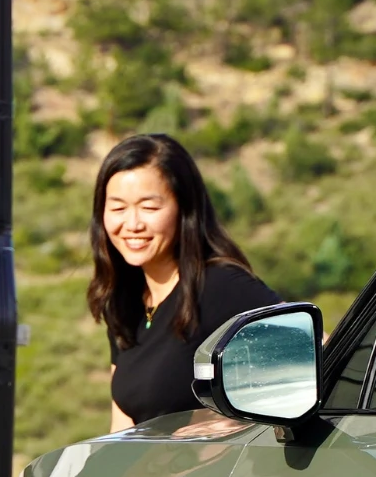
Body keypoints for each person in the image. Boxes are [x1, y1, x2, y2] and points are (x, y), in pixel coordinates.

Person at [88, 133, 280, 430]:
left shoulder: (219, 285)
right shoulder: (123, 302)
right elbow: (123, 428)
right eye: (117, 208)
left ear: (184, 209)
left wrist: (235, 425)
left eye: (149, 208)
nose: (132, 224)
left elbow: (319, 352)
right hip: (146, 461)